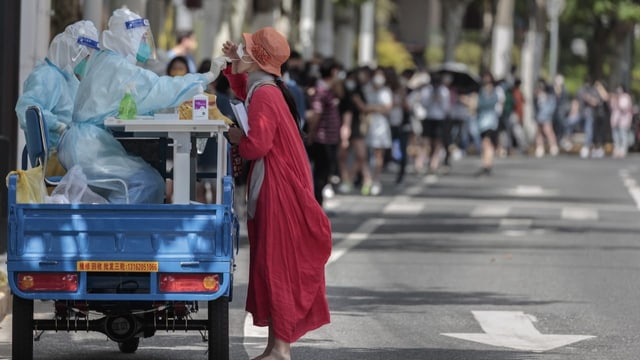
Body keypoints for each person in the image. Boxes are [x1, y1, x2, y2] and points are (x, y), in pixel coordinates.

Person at [221, 27, 332, 360]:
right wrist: (231, 64)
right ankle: (275, 345)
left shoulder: (266, 94)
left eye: (244, 48)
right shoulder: (266, 87)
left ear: (256, 59)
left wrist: (237, 136)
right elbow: (244, 89)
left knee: (277, 265)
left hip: (277, 187)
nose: (239, 50)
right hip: (277, 183)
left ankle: (281, 349)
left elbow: (257, 146)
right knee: (271, 264)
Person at [58, 8, 226, 203]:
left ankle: (118, 229)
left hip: (85, 144)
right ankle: (118, 231)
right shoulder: (118, 67)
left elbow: (141, 96)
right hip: (88, 148)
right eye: (142, 38)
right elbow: (159, 88)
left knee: (147, 179)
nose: (145, 43)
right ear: (127, 38)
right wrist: (206, 77)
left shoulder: (105, 60)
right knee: (148, 182)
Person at [15, 20, 100, 166]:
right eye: (86, 56)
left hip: (71, 153)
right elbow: (27, 108)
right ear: (72, 51)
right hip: (60, 158)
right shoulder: (47, 76)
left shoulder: (68, 79)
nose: (87, 62)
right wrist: (58, 126)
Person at [533, 79, 559, 157]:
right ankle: (540, 147)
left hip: (546, 117)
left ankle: (553, 146)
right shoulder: (538, 96)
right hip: (539, 116)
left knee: (548, 131)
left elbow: (551, 108)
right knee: (539, 133)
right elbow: (536, 106)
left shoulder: (550, 97)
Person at [609, 85, 633, 158]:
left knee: (623, 135)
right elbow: (612, 107)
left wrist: (618, 100)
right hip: (615, 119)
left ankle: (623, 149)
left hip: (623, 120)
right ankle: (617, 148)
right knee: (616, 135)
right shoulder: (615, 97)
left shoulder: (626, 97)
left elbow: (623, 108)